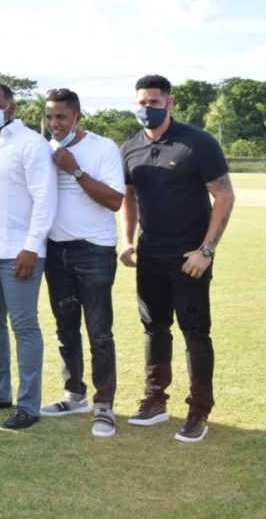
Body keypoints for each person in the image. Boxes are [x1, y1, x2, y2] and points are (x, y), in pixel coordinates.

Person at [120, 74, 235, 443]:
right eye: (141, 102)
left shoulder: (197, 143)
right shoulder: (130, 147)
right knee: (154, 328)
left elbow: (225, 197)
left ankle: (198, 410)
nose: (146, 109)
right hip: (150, 254)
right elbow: (129, 196)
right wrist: (128, 240)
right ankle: (155, 400)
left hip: (190, 257)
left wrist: (206, 250)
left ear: (169, 103)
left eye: (153, 102)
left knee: (195, 333)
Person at [0, 83, 57, 429]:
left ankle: (29, 404)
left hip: (19, 252)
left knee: (24, 326)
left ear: (12, 109)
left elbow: (45, 198)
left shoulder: (30, 144)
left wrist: (32, 246)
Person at [39, 88, 124, 437]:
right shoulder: (43, 149)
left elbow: (115, 201)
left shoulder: (102, 148)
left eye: (61, 116)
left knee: (99, 332)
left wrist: (75, 171)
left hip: (93, 250)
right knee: (65, 329)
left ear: (77, 117)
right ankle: (75, 394)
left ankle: (104, 405)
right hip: (56, 251)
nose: (54, 124)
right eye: (49, 117)